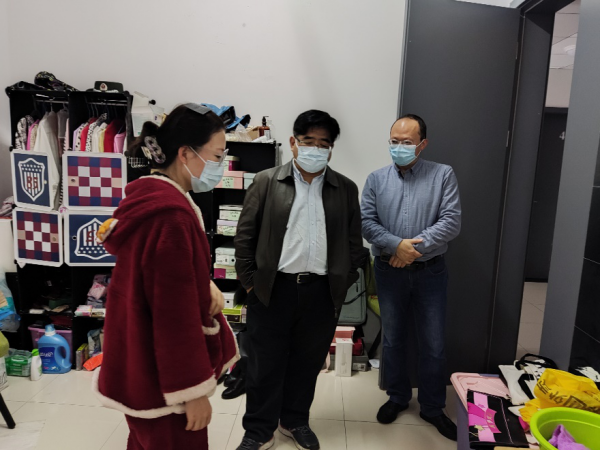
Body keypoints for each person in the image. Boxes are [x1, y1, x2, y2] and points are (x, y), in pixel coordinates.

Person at [94, 104, 239, 450]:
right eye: (217, 156)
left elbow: (159, 280)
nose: (221, 166)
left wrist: (202, 283)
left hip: (142, 370)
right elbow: (174, 317)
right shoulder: (171, 217)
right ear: (185, 153)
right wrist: (192, 392)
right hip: (167, 385)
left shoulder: (151, 200)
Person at [234, 110, 367, 450]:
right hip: (272, 289)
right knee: (264, 364)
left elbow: (354, 244)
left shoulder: (345, 188)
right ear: (294, 143)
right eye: (309, 141)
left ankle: (294, 420)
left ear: (331, 149)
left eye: (324, 144)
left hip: (321, 291)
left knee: (307, 363)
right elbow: (245, 237)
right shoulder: (266, 181)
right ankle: (259, 430)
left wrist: (342, 281)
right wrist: (250, 284)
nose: (316, 149)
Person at [361, 114, 461, 441]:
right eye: (394, 141)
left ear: (422, 144)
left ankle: (432, 407)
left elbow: (451, 221)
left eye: (407, 142)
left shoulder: (442, 175)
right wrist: (396, 246)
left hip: (431, 272)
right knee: (393, 339)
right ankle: (398, 397)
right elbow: (366, 222)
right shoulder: (376, 179)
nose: (399, 147)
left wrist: (410, 250)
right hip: (388, 272)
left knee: (433, 343)